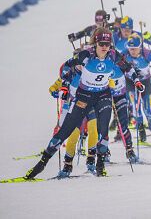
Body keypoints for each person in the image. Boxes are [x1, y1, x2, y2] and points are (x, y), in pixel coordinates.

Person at [25, 28, 143, 179]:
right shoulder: (87, 55)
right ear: (96, 43)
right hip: (84, 96)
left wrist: (137, 81)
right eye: (101, 43)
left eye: (107, 43)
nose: (105, 47)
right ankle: (41, 164)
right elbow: (67, 67)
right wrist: (64, 86)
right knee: (66, 131)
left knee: (103, 128)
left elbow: (127, 67)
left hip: (103, 95)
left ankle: (99, 165)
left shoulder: (113, 55)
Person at [123, 33, 151, 147]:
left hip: (145, 83)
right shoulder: (124, 54)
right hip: (130, 84)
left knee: (149, 111)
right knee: (135, 109)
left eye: (135, 49)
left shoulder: (146, 53)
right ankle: (141, 129)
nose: (132, 51)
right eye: (130, 49)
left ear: (140, 47)